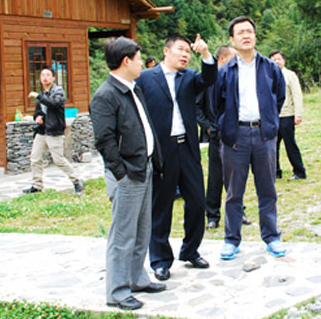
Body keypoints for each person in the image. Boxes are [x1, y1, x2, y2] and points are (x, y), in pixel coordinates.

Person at [89, 37, 165, 311]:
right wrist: (120, 173)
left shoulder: (133, 89)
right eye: (139, 58)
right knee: (123, 234)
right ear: (126, 61)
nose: (142, 63)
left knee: (142, 230)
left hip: (143, 168)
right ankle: (118, 291)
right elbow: (104, 141)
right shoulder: (105, 95)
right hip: (127, 174)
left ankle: (137, 279)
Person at [136, 33, 216, 281]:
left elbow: (210, 78)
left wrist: (204, 53)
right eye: (180, 49)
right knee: (161, 206)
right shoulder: (145, 78)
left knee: (197, 202)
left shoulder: (189, 77)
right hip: (162, 150)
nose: (184, 55)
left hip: (187, 148)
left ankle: (190, 250)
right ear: (166, 51)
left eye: (187, 52)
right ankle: (160, 260)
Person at [213, 16, 287, 260]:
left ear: (255, 36)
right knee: (234, 192)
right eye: (240, 32)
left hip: (264, 135)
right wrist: (226, 127)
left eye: (249, 31)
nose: (246, 35)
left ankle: (272, 236)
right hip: (236, 137)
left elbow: (279, 97)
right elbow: (216, 103)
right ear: (232, 39)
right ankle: (231, 239)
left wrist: (270, 121)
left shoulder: (270, 68)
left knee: (268, 189)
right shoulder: (225, 71)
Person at [196, 46, 253, 230]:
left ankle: (238, 212)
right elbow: (197, 107)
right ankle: (212, 216)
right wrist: (207, 127)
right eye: (233, 58)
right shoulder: (207, 78)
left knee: (235, 175)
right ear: (222, 59)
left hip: (235, 133)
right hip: (215, 134)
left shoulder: (236, 76)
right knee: (215, 176)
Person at [23, 67, 83, 195]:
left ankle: (76, 181)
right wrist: (37, 117)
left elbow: (54, 104)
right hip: (42, 131)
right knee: (35, 158)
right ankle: (37, 185)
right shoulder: (43, 94)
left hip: (54, 131)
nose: (45, 77)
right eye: (42, 75)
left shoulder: (58, 91)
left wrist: (38, 96)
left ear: (53, 78)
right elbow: (39, 112)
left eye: (48, 75)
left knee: (58, 160)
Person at [269, 50, 306, 181]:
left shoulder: (290, 75)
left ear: (284, 61)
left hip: (287, 115)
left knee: (290, 144)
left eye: (279, 59)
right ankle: (275, 171)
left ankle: (299, 171)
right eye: (274, 59)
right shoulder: (267, 75)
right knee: (272, 145)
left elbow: (297, 95)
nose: (276, 61)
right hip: (272, 116)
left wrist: (298, 114)